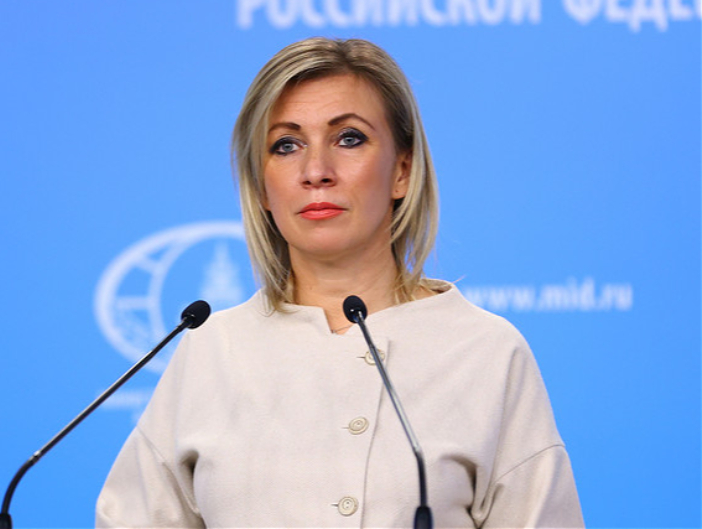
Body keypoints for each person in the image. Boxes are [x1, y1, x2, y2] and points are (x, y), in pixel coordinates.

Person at [96, 37, 584, 528]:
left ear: (402, 171)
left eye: (349, 138)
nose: (316, 172)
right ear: (261, 186)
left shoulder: (486, 351)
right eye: (286, 145)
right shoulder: (211, 349)